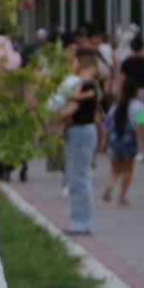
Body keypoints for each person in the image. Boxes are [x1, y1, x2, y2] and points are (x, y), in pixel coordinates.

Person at [49, 51, 105, 235]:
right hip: (83, 132)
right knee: (79, 176)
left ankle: (80, 223)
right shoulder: (91, 87)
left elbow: (69, 110)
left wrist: (51, 117)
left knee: (78, 178)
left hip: (80, 133)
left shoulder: (84, 86)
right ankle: (79, 221)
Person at [117, 36, 144, 160]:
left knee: (130, 118)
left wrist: (120, 95)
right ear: (143, 47)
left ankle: (134, 143)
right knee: (143, 119)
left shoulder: (126, 63)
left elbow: (122, 80)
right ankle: (143, 145)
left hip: (130, 93)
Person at [102, 80, 141, 206]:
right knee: (128, 169)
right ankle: (122, 196)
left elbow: (106, 124)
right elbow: (141, 125)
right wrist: (141, 142)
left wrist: (103, 141)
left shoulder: (115, 106)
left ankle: (110, 185)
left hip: (115, 138)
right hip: (129, 139)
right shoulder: (139, 106)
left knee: (115, 168)